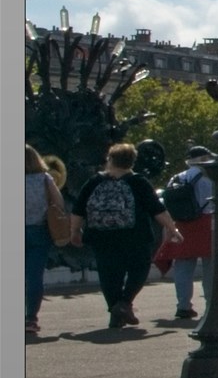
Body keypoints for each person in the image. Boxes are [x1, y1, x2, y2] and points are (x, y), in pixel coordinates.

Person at [73, 142, 173, 332]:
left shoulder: (95, 182)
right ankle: (125, 303)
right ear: (132, 161)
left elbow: (78, 210)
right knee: (140, 268)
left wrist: (75, 231)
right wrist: (172, 228)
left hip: (101, 236)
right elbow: (156, 209)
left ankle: (115, 312)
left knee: (109, 274)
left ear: (109, 159)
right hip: (135, 236)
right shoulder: (138, 182)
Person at [157, 146, 215, 323]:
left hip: (182, 224)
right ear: (205, 159)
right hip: (207, 223)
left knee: (183, 266)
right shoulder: (210, 179)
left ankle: (183, 306)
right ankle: (211, 305)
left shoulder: (177, 178)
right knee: (210, 267)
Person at [27, 145, 70, 340]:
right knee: (34, 277)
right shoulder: (45, 179)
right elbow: (58, 204)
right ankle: (30, 319)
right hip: (38, 232)